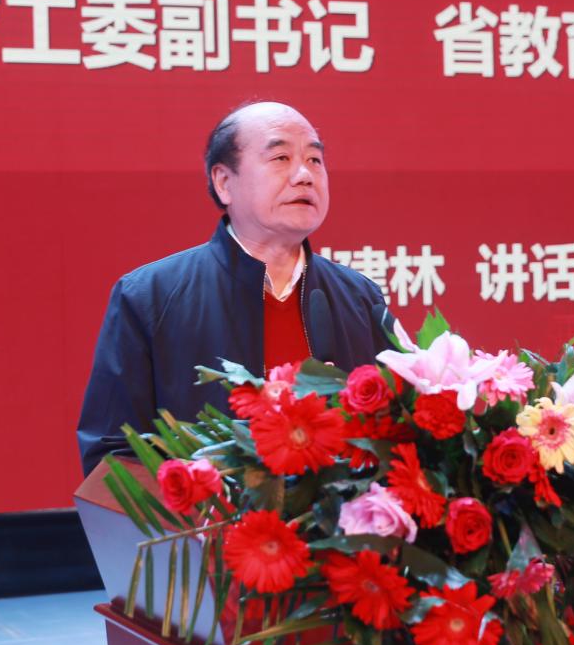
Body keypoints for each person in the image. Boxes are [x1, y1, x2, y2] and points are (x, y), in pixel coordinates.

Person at [77, 102, 392, 475]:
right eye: (281, 158)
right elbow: (113, 458)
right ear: (224, 182)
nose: (304, 175)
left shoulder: (361, 298)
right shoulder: (149, 298)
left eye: (314, 160)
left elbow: (395, 435)